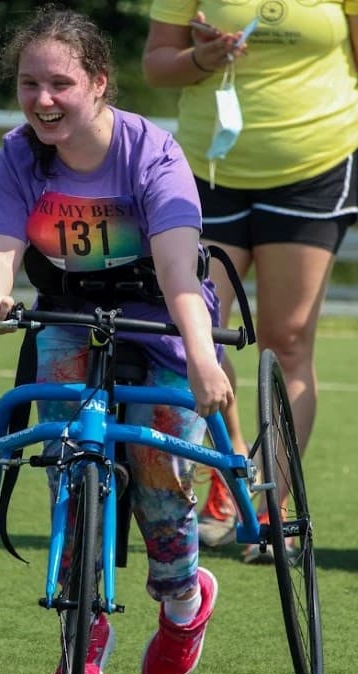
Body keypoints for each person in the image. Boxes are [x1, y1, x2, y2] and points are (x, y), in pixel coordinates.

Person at [0, 3, 234, 674]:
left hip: (159, 317)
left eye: (59, 83)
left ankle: (182, 601)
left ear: (99, 83)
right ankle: (81, 631)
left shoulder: (153, 154)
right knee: (68, 463)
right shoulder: (19, 154)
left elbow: (181, 274)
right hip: (67, 313)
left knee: (157, 478)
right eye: (30, 84)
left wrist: (205, 360)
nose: (43, 100)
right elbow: (1, 242)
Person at [143, 0, 358, 560]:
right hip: (210, 171)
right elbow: (157, 65)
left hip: (316, 167)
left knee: (286, 340)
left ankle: (271, 508)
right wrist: (202, 56)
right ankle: (235, 471)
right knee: (200, 327)